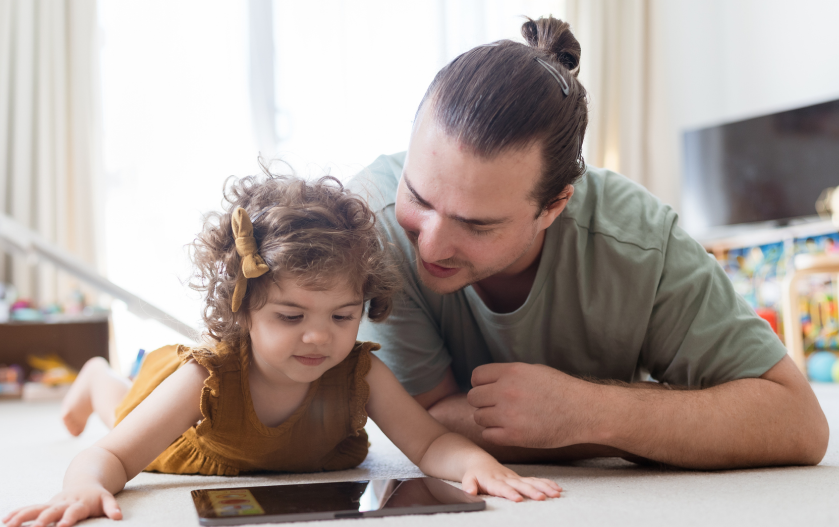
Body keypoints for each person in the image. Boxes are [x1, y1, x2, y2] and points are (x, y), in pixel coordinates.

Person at [352, 16, 829, 469]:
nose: (430, 248)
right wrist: (664, 426)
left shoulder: (637, 240)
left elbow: (799, 422)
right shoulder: (370, 226)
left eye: (477, 226)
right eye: (418, 197)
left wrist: (590, 411)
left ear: (554, 206)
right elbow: (425, 421)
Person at [3, 173, 561, 527]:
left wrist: (479, 466)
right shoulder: (207, 378)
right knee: (121, 405)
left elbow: (432, 441)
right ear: (243, 313)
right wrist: (83, 488)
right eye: (290, 317)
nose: (319, 337)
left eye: (342, 316)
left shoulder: (360, 372)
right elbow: (113, 457)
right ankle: (97, 376)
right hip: (182, 429)